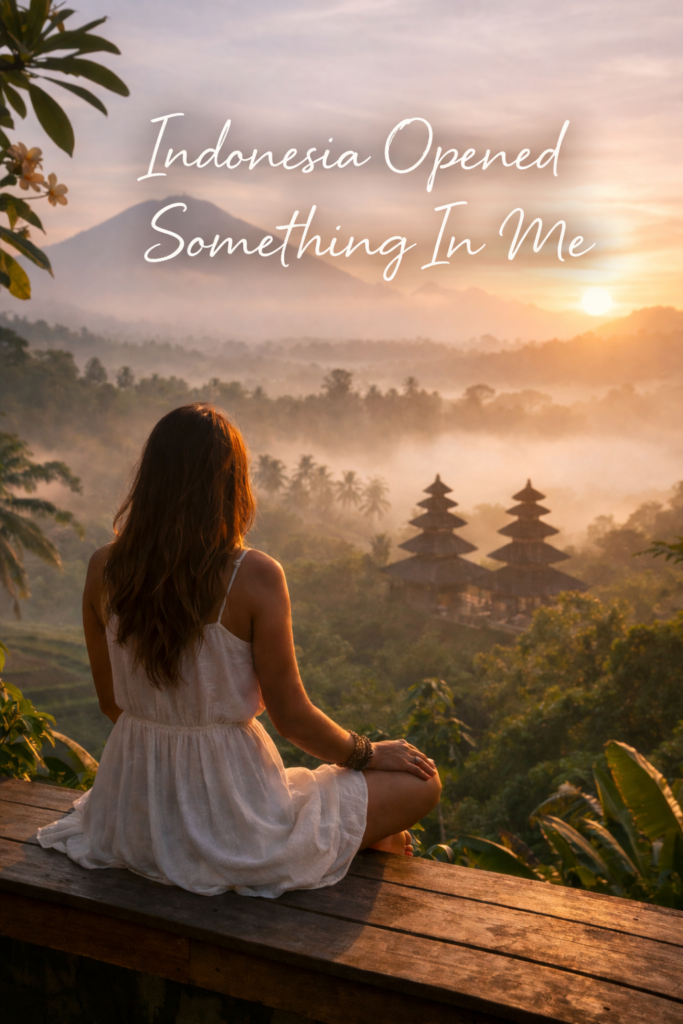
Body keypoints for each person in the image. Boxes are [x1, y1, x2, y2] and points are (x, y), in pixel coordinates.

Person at [37, 404, 441, 897]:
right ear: (231, 486)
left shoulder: (104, 567)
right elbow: (292, 720)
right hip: (234, 821)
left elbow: (111, 704)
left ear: (151, 479)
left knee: (335, 804)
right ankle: (370, 841)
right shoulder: (254, 576)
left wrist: (167, 763)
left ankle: (366, 838)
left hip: (132, 815)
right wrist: (370, 752)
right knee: (423, 783)